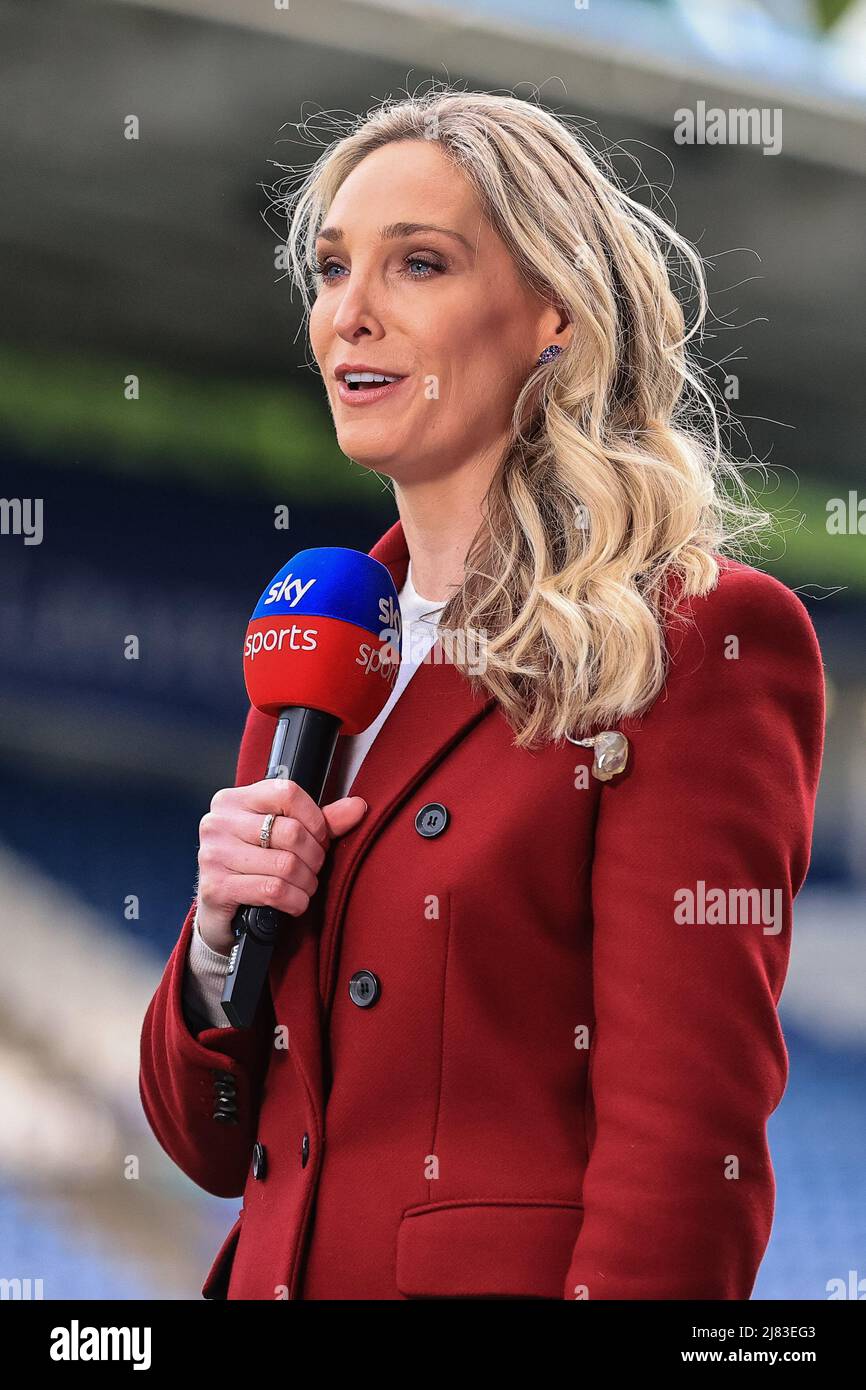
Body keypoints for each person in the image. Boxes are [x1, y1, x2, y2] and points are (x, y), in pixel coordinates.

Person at [139, 88, 825, 1300]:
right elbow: (210, 1142)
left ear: (551, 314)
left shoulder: (692, 639)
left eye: (417, 265)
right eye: (332, 268)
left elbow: (685, 1154)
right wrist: (208, 944)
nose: (349, 314)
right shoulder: (318, 642)